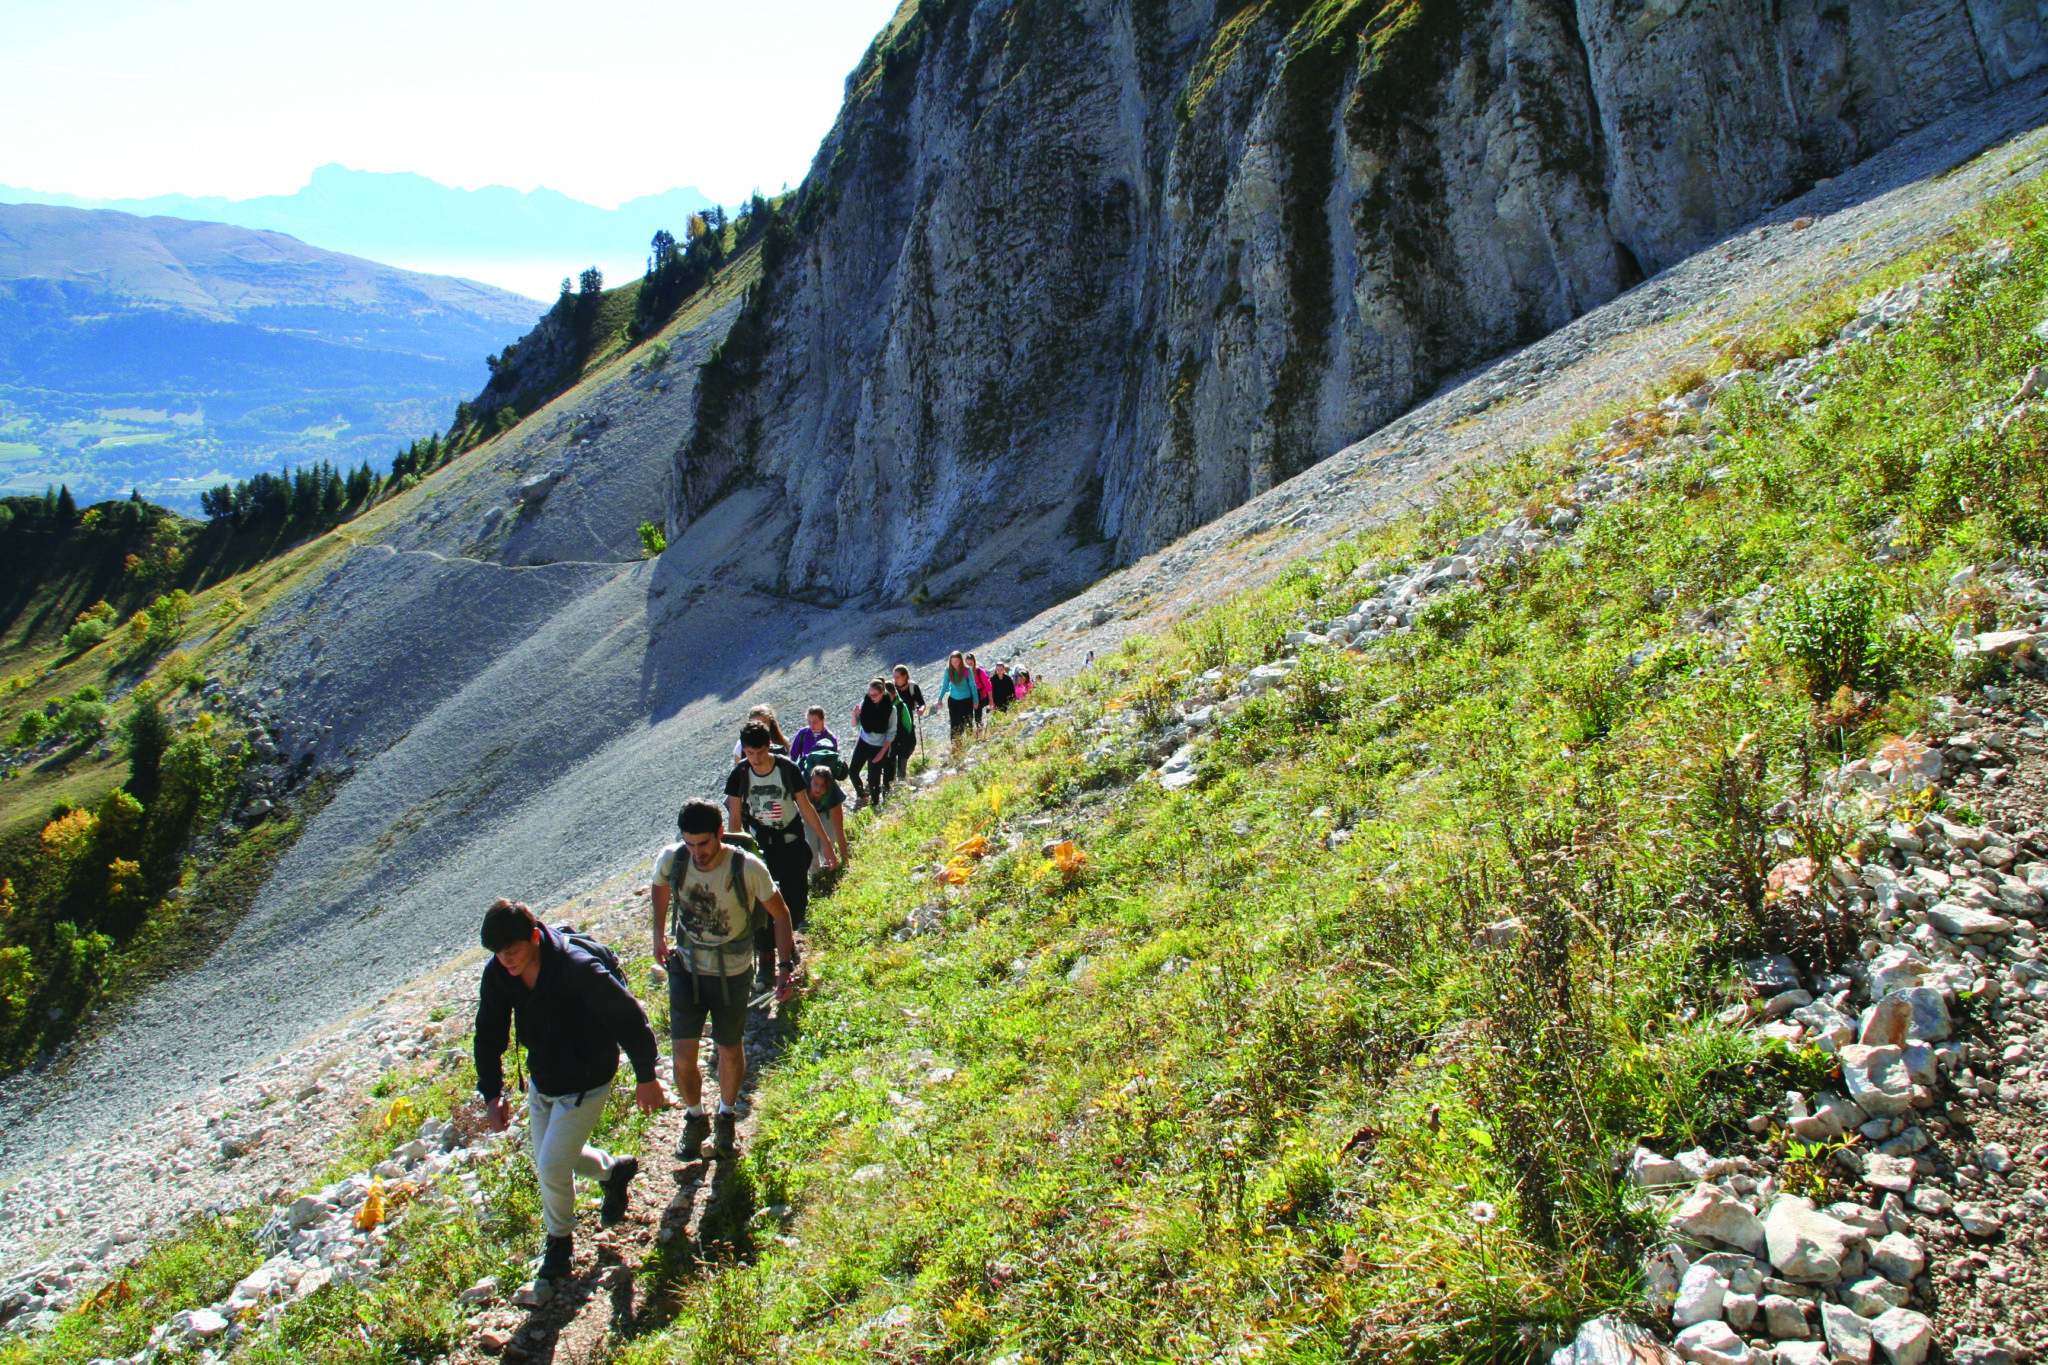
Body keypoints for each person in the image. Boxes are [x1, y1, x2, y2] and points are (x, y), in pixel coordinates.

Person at [474, 899, 664, 1281]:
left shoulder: (576, 967)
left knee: (550, 1166)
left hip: (587, 1077)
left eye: (512, 951)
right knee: (558, 1158)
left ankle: (559, 1245)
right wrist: (492, 1093)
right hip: (544, 1078)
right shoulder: (499, 973)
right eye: (498, 954)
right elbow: (489, 1032)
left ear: (532, 937)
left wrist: (647, 1076)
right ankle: (614, 1172)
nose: (506, 961)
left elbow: (628, 1018)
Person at [652, 800, 800, 1160]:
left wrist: (783, 968)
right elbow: (659, 888)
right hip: (686, 968)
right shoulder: (674, 859)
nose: (696, 853)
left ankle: (726, 1116)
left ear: (720, 832)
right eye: (689, 844)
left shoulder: (747, 867)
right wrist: (658, 934)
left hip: (732, 973)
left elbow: (781, 915)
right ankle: (694, 1117)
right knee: (683, 1056)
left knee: (728, 1049)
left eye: (703, 844)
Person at [725, 722, 836, 991]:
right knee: (761, 904)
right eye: (749, 754)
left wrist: (826, 844)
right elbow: (735, 817)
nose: (755, 759)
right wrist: (734, 856)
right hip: (761, 848)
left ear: (768, 747)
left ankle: (786, 943)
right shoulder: (740, 774)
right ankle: (767, 959)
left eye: (760, 753)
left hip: (791, 843)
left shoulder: (786, 768)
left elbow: (806, 807)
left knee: (795, 902)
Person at [849, 678, 897, 807]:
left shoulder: (891, 710)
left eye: (875, 695)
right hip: (864, 742)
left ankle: (875, 804)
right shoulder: (865, 704)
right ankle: (862, 796)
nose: (872, 697)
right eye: (870, 695)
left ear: (882, 693)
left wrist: (882, 753)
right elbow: (855, 724)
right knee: (853, 771)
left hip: (879, 746)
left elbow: (891, 733)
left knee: (873, 778)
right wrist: (855, 714)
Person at [804, 765, 850, 869]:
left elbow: (839, 830)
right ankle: (814, 874)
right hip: (806, 810)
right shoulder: (802, 788)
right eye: (815, 784)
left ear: (828, 785)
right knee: (810, 846)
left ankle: (828, 868)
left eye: (823, 785)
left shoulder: (833, 795)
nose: (818, 789)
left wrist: (845, 860)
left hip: (827, 811)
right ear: (810, 780)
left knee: (827, 845)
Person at [890, 665, 925, 784]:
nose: (895, 680)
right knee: (894, 750)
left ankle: (899, 776)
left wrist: (921, 709)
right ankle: (896, 777)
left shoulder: (913, 687)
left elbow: (921, 702)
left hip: (907, 722)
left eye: (897, 677)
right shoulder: (892, 689)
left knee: (908, 746)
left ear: (905, 676)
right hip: (893, 724)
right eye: (894, 677)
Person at [940, 651, 977, 741]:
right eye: (952, 662)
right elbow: (945, 685)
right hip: (953, 701)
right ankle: (955, 743)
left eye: (956, 662)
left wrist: (976, 700)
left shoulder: (967, 670)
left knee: (967, 721)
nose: (955, 664)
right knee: (954, 723)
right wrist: (940, 699)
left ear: (961, 661)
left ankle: (970, 740)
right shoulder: (948, 671)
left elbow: (972, 685)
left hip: (966, 700)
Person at [967, 653, 992, 729]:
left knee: (977, 714)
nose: (969, 666)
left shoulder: (980, 672)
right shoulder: (966, 673)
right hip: (971, 696)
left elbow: (988, 686)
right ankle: (971, 732)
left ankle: (980, 729)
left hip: (981, 696)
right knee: (968, 715)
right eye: (967, 664)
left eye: (970, 663)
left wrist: (991, 700)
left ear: (974, 662)